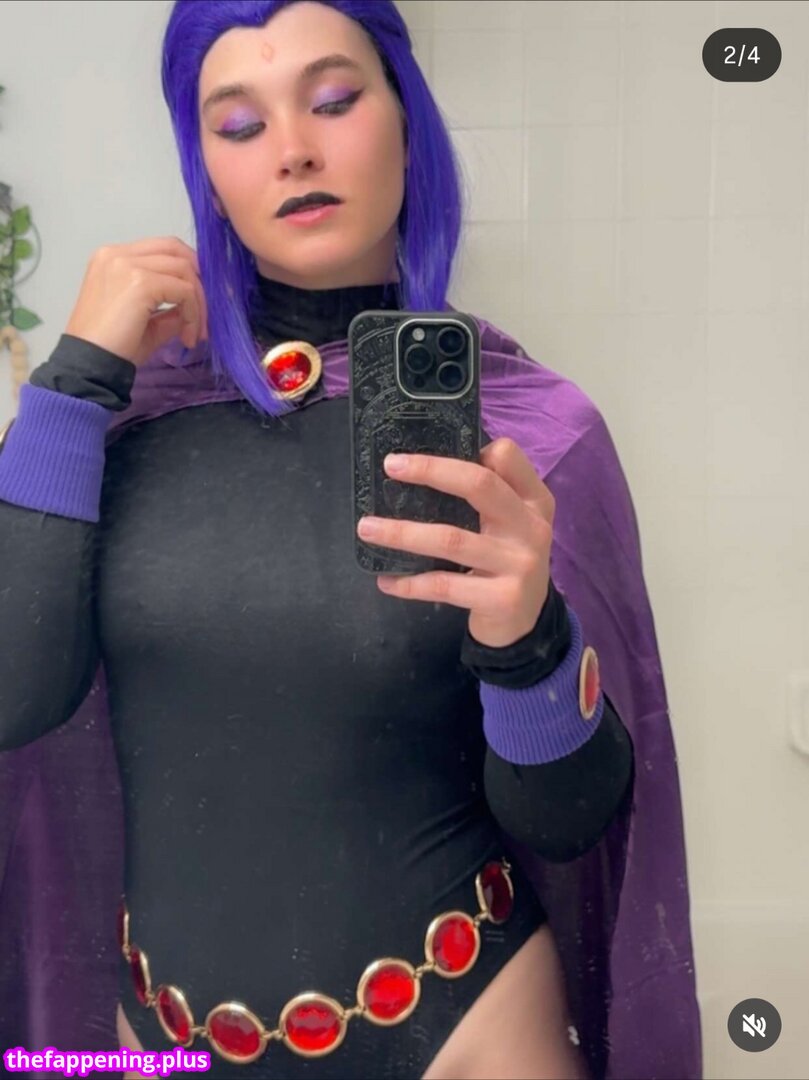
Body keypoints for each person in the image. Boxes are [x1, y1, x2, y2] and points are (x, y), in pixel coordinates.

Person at [0, 2, 701, 1078]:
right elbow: (15, 701)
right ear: (205, 172)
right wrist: (71, 384)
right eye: (239, 125)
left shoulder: (532, 436)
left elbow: (572, 826)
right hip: (167, 1044)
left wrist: (527, 642)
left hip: (471, 1035)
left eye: (332, 101)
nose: (292, 149)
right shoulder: (118, 420)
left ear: (405, 120)